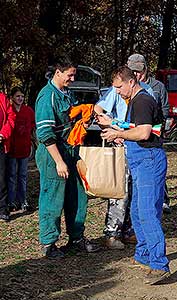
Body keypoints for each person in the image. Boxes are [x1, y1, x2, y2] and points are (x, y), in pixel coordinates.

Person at [99, 65, 170, 284]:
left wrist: (119, 133)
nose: (117, 92)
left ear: (131, 81)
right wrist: (117, 128)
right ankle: (144, 254)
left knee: (147, 212)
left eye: (119, 87)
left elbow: (144, 132)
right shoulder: (134, 101)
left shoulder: (142, 100)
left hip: (149, 159)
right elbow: (136, 127)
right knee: (138, 211)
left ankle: (159, 265)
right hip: (141, 160)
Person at [35, 56, 99, 258]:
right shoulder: (47, 97)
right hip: (53, 154)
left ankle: (76, 237)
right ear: (58, 73)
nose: (72, 79)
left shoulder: (67, 93)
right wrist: (59, 162)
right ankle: (49, 243)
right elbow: (45, 134)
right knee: (52, 198)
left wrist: (85, 120)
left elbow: (73, 118)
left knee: (77, 196)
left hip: (71, 150)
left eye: (74, 75)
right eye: (70, 75)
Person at [95, 74, 155, 249]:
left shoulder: (146, 93)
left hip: (139, 147)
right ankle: (112, 232)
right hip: (120, 145)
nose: (138, 75)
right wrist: (111, 131)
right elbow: (97, 110)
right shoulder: (116, 90)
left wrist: (123, 133)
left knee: (136, 190)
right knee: (119, 189)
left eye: (140, 72)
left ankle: (130, 230)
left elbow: (144, 127)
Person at [127, 53, 171, 214]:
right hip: (134, 138)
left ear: (145, 68)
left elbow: (165, 108)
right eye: (133, 71)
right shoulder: (127, 87)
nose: (137, 74)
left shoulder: (158, 86)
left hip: (152, 137)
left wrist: (159, 125)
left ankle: (162, 200)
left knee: (155, 173)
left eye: (139, 70)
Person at [6, 86, 35, 212]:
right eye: (17, 96)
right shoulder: (9, 110)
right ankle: (11, 202)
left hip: (24, 148)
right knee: (11, 176)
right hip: (12, 149)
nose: (20, 98)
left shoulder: (28, 111)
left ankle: (23, 200)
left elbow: (33, 125)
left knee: (22, 175)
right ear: (12, 98)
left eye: (22, 96)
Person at [0, 92, 16, 221]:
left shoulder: (2, 98)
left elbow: (11, 117)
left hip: (0, 142)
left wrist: (2, 135)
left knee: (1, 177)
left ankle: (2, 209)